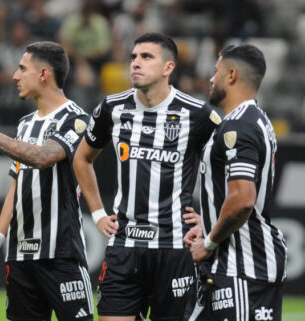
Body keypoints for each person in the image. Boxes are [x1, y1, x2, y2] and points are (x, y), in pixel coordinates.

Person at [72, 33, 221, 321]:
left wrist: (210, 220)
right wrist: (98, 213)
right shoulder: (111, 109)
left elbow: (230, 166)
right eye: (133, 57)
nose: (136, 63)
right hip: (124, 245)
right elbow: (82, 158)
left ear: (168, 68)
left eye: (146, 57)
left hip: (175, 247)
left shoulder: (198, 115)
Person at [0, 41, 93, 321]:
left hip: (61, 253)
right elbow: (16, 184)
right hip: (20, 255)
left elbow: (42, 157)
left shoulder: (76, 119)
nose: (15, 76)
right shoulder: (26, 124)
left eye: (21, 68)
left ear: (43, 74)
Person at [183, 44, 287, 321]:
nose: (210, 79)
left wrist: (210, 241)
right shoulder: (254, 120)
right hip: (233, 265)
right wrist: (209, 222)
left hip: (244, 266)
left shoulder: (239, 126)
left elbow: (242, 200)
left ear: (231, 75)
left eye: (215, 72)